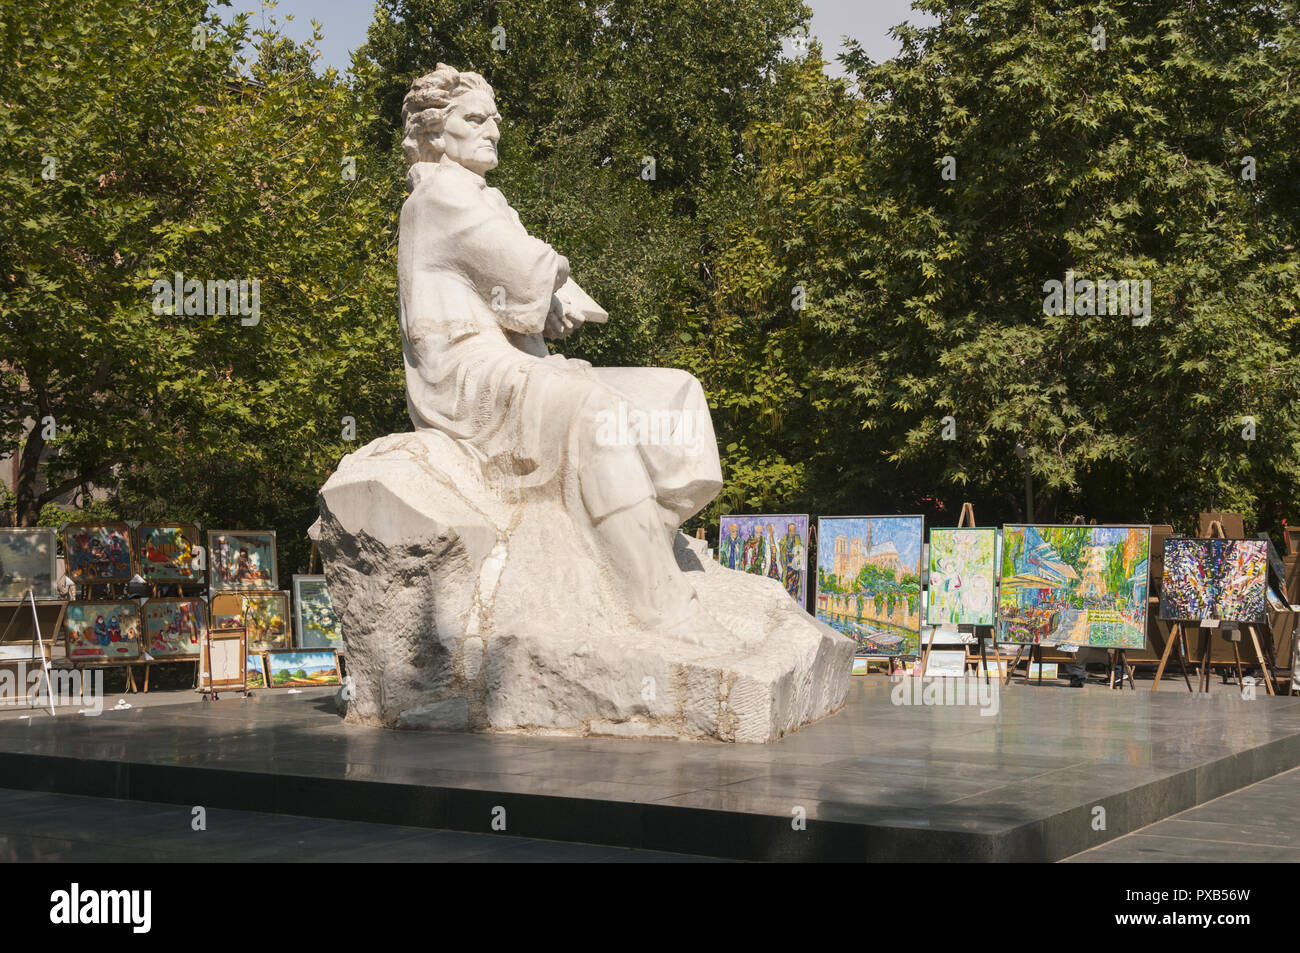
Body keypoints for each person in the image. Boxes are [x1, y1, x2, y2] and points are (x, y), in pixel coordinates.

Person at [398, 65, 723, 638]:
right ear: (434, 132)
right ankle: (655, 603)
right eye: (475, 119)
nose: (493, 130)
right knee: (596, 415)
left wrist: (547, 301)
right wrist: (554, 283)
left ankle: (641, 532)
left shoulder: (480, 196)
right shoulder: (440, 195)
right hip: (468, 374)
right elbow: (525, 267)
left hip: (521, 358)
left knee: (674, 391)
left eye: (495, 117)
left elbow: (515, 289)